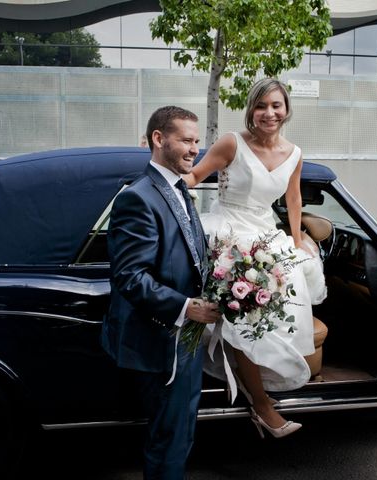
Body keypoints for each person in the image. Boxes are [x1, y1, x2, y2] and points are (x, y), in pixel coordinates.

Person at [184, 78, 327, 439]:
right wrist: (161, 184)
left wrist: (297, 241)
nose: (269, 113)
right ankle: (260, 402)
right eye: (261, 106)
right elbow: (195, 177)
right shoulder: (233, 142)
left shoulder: (294, 153)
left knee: (285, 292)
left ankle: (259, 387)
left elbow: (293, 200)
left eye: (276, 105)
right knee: (244, 313)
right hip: (228, 229)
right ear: (252, 110)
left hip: (265, 232)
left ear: (286, 109)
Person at [102, 105, 221, 479]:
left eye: (197, 142)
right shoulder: (138, 197)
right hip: (160, 340)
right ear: (159, 139)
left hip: (184, 338)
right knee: (169, 437)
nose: (194, 150)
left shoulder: (177, 190)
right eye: (186, 140)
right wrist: (188, 307)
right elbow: (131, 276)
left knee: (179, 431)